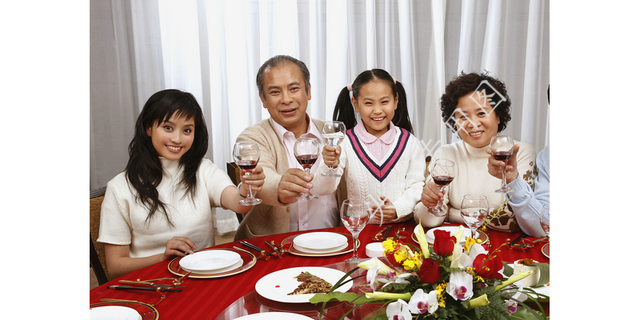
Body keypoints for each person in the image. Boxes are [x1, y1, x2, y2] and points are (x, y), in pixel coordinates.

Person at [98, 89, 265, 278]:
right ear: (148, 128)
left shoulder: (203, 170)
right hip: (153, 284)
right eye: (168, 128)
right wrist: (162, 257)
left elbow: (236, 203)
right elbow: (115, 266)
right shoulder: (120, 188)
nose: (177, 139)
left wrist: (247, 186)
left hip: (205, 278)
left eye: (187, 130)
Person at [233, 55, 341, 240]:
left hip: (334, 241)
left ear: (308, 91)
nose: (286, 99)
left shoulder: (333, 134)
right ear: (263, 99)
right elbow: (262, 177)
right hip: (273, 247)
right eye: (275, 92)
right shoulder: (252, 137)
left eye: (294, 89)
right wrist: (279, 187)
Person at [414, 72, 536, 233]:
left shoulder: (519, 152)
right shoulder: (446, 154)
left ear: (498, 116)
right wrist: (428, 202)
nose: (472, 123)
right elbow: (428, 220)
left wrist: (451, 213)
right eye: (463, 116)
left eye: (481, 113)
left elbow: (512, 221)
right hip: (459, 246)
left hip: (502, 247)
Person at [314, 69, 425, 225]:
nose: (377, 110)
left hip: (400, 230)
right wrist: (329, 164)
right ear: (356, 104)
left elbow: (417, 186)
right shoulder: (344, 143)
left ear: (396, 101)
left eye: (384, 102)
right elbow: (322, 189)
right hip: (357, 232)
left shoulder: (410, 142)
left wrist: (397, 209)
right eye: (368, 103)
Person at [487, 144, 549, 237]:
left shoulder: (524, 152)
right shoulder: (548, 155)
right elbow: (544, 224)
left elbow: (511, 222)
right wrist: (513, 180)